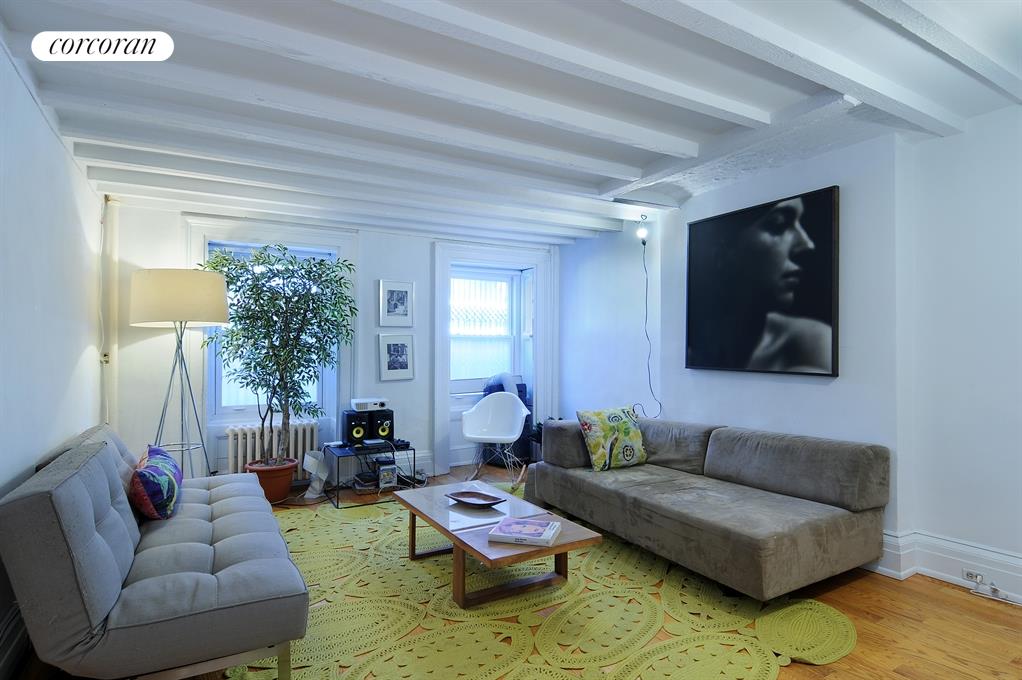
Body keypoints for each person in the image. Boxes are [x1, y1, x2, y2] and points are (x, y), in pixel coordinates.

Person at [687, 193, 834, 374]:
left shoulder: (811, 347)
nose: (807, 244)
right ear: (718, 247)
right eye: (778, 223)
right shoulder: (681, 345)